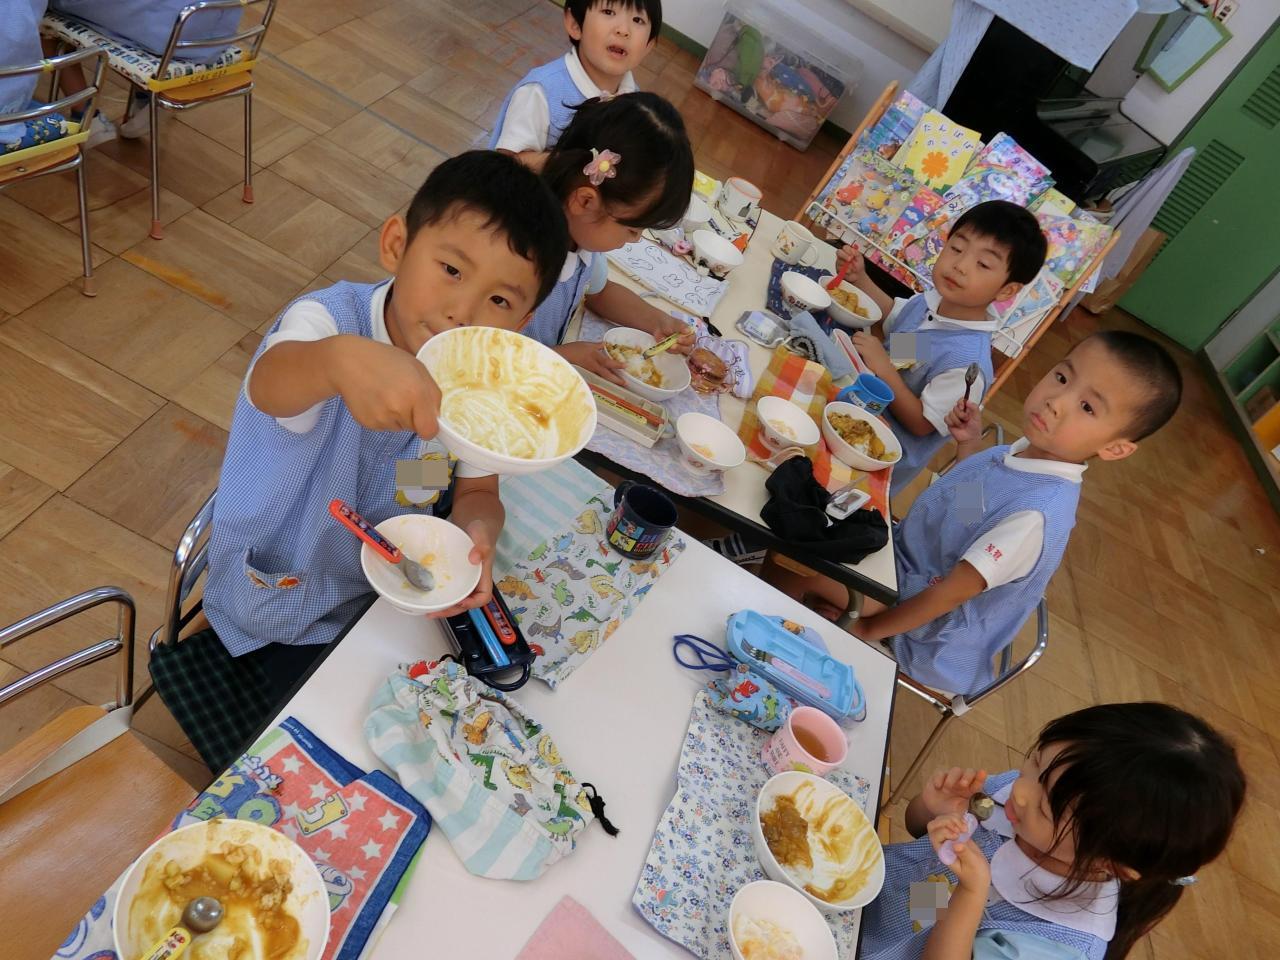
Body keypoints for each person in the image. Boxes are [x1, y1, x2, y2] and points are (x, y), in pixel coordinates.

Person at [199, 151, 568, 701]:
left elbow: (477, 492)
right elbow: (271, 384)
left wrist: (477, 534)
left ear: (520, 323)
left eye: (497, 299)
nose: (461, 311)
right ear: (397, 244)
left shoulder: (477, 389)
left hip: (379, 599)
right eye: (451, 270)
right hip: (274, 602)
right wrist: (337, 361)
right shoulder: (326, 323)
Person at [770, 331, 1183, 696]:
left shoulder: (1037, 516)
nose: (1057, 402)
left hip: (923, 632)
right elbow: (969, 515)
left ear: (1115, 448)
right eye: (1061, 377)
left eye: (1088, 407)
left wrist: (868, 629)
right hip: (907, 571)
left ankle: (762, 619)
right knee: (814, 529)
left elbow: (952, 593)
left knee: (798, 565)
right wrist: (969, 446)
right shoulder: (1023, 454)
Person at [862, 702, 1246, 960]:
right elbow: (920, 842)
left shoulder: (1061, 943)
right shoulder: (1020, 797)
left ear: (1110, 862)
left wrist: (971, 893)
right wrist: (934, 810)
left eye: (1046, 807)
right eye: (1034, 763)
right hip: (863, 897)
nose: (1020, 792)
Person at [836, 200, 1048, 497]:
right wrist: (861, 279)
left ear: (1007, 290)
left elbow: (922, 424)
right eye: (957, 248)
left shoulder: (967, 364)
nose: (960, 265)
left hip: (870, 464)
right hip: (850, 408)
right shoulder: (933, 307)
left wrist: (883, 368)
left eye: (983, 264)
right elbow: (899, 329)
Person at [532, 91, 696, 383]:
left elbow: (599, 291)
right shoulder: (520, 255)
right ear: (585, 202)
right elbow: (486, 348)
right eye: (632, 229)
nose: (635, 240)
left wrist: (658, 321)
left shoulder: (580, 240)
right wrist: (564, 357)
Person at [489, 0, 662, 167]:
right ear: (575, 25)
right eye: (608, 12)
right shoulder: (541, 91)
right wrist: (579, 164)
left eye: (638, 20)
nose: (623, 30)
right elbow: (509, 162)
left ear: (648, 45)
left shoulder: (635, 102)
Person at [45, 0, 241, 141]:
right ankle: (146, 96)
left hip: (167, 28)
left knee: (39, 15)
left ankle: (86, 116)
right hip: (215, 26)